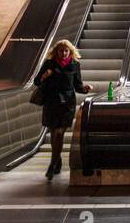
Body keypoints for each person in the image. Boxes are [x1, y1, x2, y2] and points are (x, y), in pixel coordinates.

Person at [35, 39, 92, 180]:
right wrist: (44, 76)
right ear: (56, 52)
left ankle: (52, 165)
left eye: (66, 51)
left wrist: (85, 89)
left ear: (70, 51)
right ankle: (57, 161)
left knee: (59, 133)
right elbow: (37, 81)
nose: (64, 53)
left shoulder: (74, 65)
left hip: (67, 104)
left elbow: (77, 86)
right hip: (52, 102)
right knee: (54, 132)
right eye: (61, 51)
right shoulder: (49, 64)